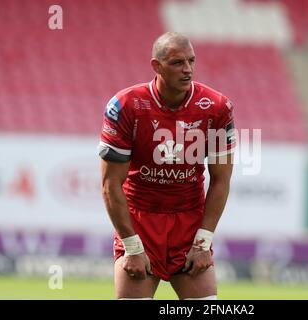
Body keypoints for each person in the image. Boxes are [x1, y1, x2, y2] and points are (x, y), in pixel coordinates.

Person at [98, 32, 235, 300]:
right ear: (156, 66)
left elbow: (221, 180)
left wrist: (203, 242)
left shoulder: (217, 108)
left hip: (188, 226)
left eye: (191, 61)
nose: (187, 70)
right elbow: (110, 184)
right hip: (140, 222)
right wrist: (132, 246)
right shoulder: (125, 106)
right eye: (177, 63)